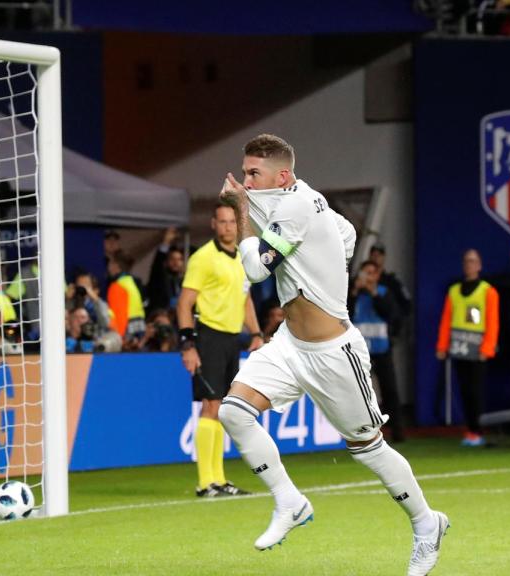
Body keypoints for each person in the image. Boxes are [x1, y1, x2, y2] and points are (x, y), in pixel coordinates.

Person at [217, 134, 448, 576]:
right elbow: (346, 232)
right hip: (289, 344)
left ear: (282, 175)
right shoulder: (297, 198)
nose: (244, 181)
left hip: (334, 353)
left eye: (253, 173)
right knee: (234, 412)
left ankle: (426, 524)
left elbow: (253, 268)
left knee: (369, 450)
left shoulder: (297, 206)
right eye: (245, 172)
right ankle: (289, 501)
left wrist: (241, 209)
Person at [177, 204, 262, 498]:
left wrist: (257, 332)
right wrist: (187, 344)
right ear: (214, 224)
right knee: (210, 405)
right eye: (222, 222)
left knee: (222, 408)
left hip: (230, 340)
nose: (227, 227)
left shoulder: (242, 257)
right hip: (208, 337)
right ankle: (206, 483)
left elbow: (245, 299)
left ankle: (219, 479)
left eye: (231, 222)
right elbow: (185, 303)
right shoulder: (203, 258)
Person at [435, 249, 499, 447]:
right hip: (459, 347)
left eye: (473, 261)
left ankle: (476, 431)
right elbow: (446, 320)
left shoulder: (488, 291)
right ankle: (470, 429)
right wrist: (442, 345)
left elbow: (492, 321)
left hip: (477, 349)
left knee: (475, 391)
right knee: (464, 390)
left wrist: (487, 348)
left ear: (479, 266)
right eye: (466, 261)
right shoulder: (454, 290)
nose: (469, 265)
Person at [349, 260, 405, 442]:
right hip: (358, 350)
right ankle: (358, 432)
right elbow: (344, 314)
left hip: (381, 349)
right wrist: (355, 292)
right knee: (357, 391)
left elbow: (391, 314)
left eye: (372, 274)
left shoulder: (383, 293)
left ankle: (397, 432)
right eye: (366, 273)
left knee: (390, 389)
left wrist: (374, 294)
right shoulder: (352, 293)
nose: (368, 278)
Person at [147, 227, 185, 315]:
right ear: (166, 262)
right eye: (172, 259)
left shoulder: (182, 281)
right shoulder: (160, 278)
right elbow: (157, 264)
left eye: (179, 259)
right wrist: (166, 242)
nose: (176, 263)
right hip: (160, 319)